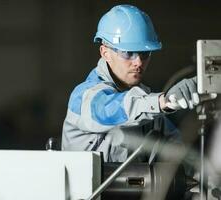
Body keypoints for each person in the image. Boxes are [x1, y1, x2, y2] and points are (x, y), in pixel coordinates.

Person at [61, 5, 200, 162]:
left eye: (144, 53)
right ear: (105, 52)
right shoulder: (84, 97)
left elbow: (178, 150)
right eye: (128, 53)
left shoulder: (146, 105)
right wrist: (163, 101)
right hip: (89, 187)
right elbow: (112, 109)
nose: (138, 62)